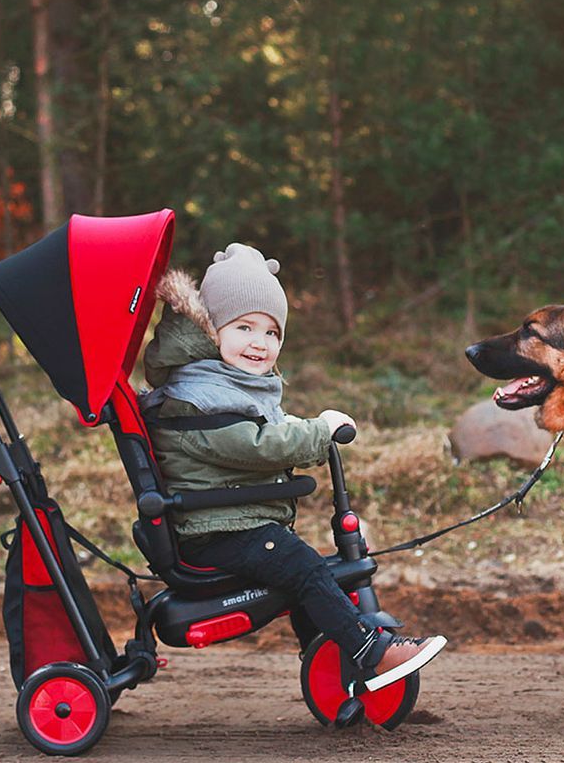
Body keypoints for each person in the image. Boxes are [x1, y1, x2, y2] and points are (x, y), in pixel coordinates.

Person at [140, 243, 447, 725]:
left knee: (306, 571)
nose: (259, 343)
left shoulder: (222, 382)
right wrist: (319, 431)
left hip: (234, 524)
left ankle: (331, 664)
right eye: (244, 328)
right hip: (214, 533)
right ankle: (367, 651)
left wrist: (313, 429)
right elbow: (257, 444)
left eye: (271, 332)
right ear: (210, 329)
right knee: (303, 568)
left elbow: (266, 429)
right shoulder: (195, 397)